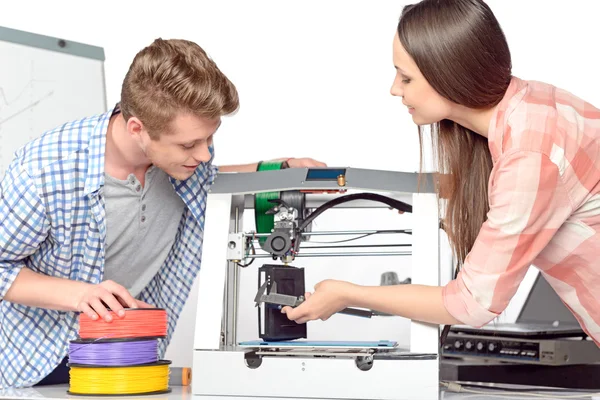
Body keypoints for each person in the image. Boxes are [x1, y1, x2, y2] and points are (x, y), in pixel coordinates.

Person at [0, 38, 325, 388]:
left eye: (209, 139)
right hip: (32, 365)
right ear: (137, 128)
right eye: (188, 145)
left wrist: (282, 170)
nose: (203, 155)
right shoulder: (42, 174)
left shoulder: (176, 164)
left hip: (127, 356)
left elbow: (210, 179)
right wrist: (79, 294)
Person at [283, 0, 600, 347]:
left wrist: (347, 293)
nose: (394, 89)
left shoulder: (530, 155)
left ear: (451, 74)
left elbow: (473, 303)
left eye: (406, 77)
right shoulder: (531, 104)